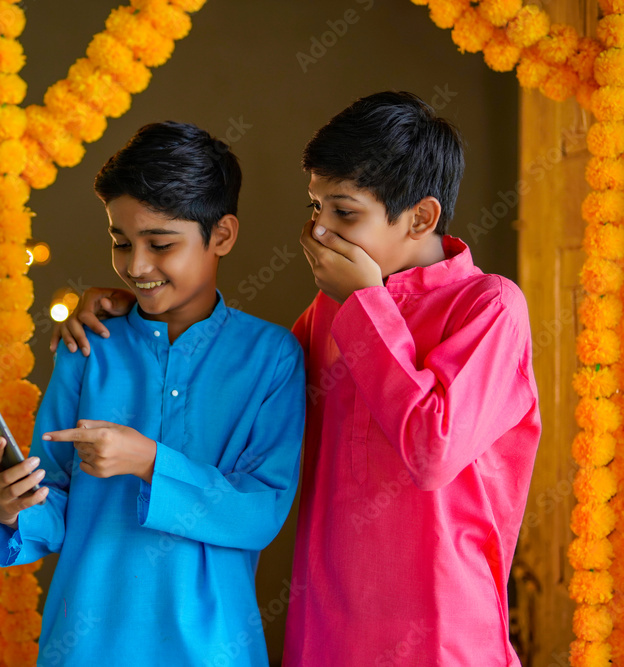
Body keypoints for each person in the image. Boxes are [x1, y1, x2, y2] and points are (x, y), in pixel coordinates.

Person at [53, 92, 541, 666]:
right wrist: (136, 305)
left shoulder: (489, 308)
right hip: (327, 628)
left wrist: (363, 300)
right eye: (315, 208)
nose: (319, 232)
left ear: (422, 217)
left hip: (443, 631)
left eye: (344, 212)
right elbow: (240, 380)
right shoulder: (328, 315)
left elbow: (432, 450)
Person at [0, 121, 306, 666]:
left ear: (221, 235)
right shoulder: (90, 344)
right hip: (85, 645)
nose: (135, 266)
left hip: (210, 647)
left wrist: (150, 461)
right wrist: (10, 506)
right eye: (121, 242)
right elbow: (54, 499)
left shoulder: (272, 358)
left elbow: (259, 514)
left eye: (160, 244)